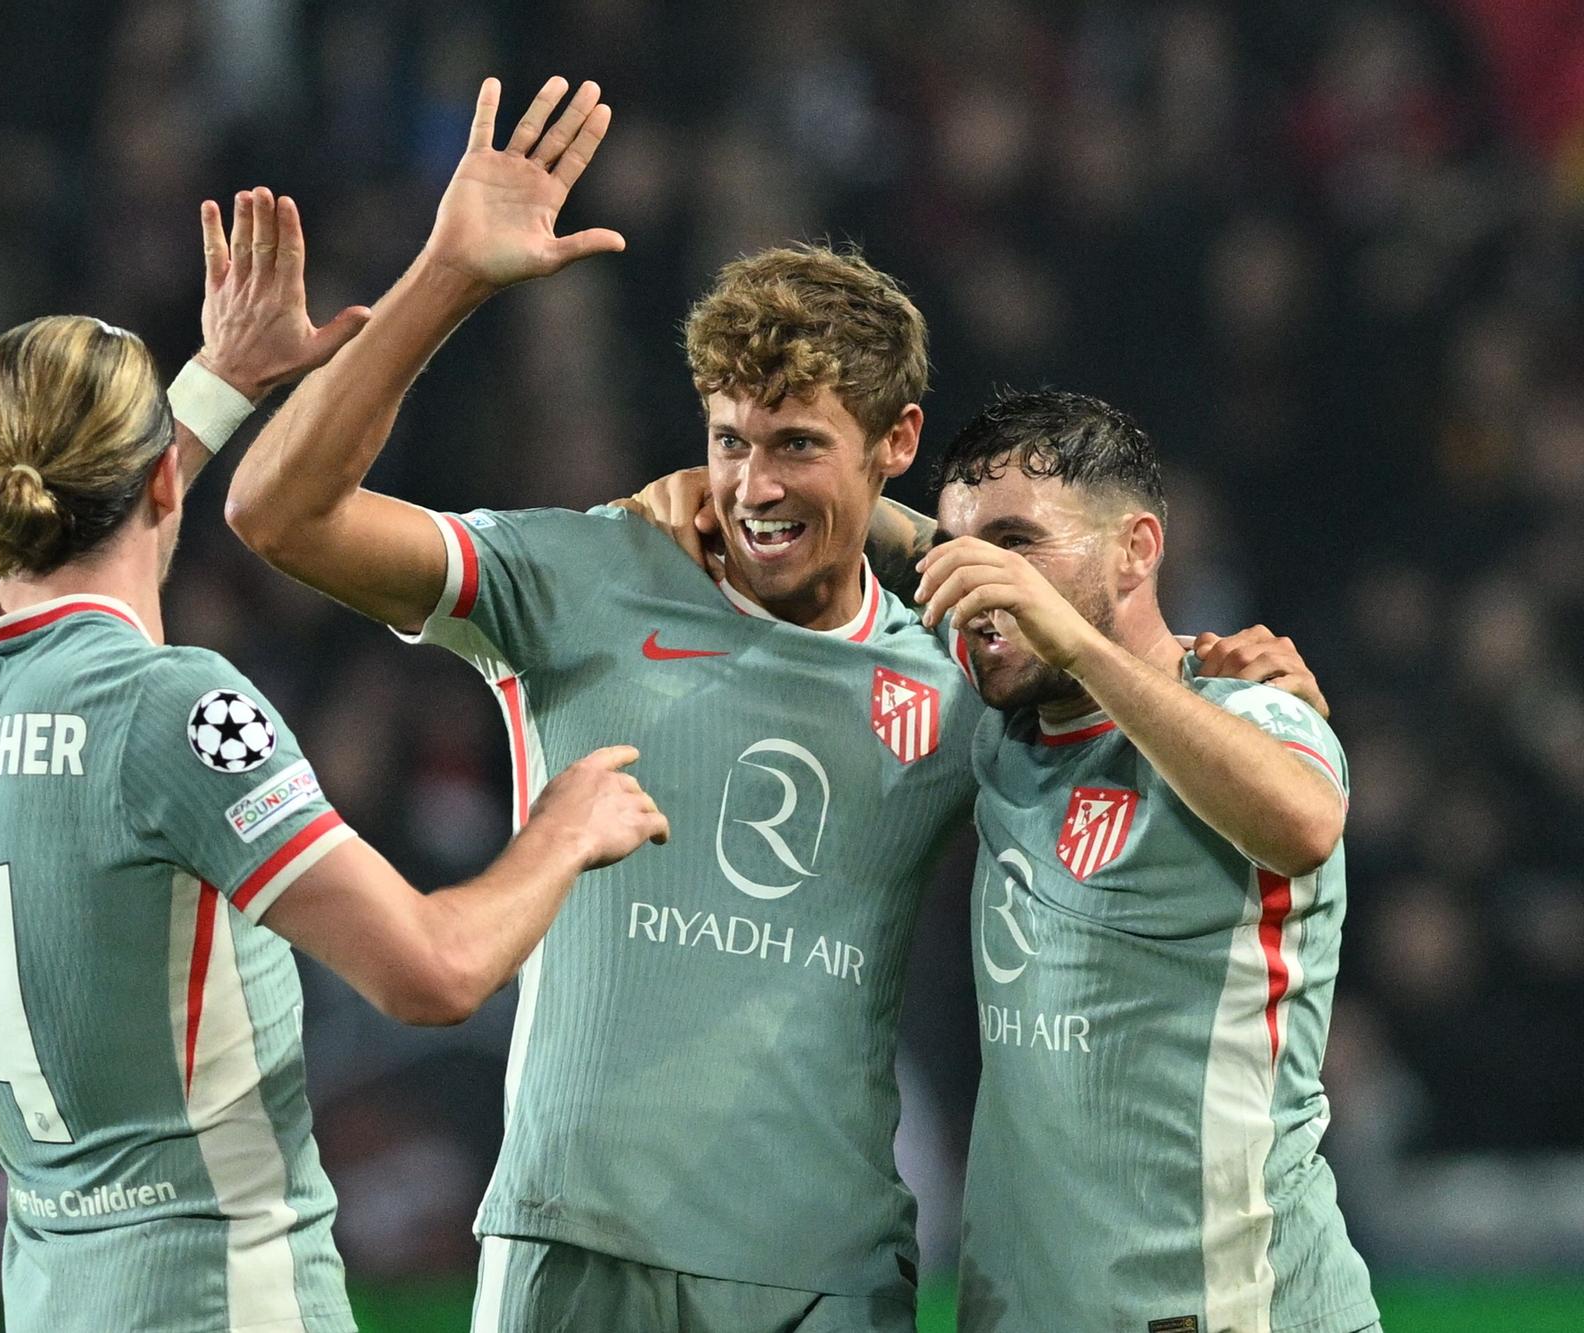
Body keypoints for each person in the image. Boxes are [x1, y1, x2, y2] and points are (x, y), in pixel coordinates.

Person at [224, 77, 1321, 1331]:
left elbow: (1120, 683)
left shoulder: (958, 669)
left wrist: (1219, 670)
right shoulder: (581, 574)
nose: (749, 483)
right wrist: (449, 278)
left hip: (823, 1275)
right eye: (729, 439)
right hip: (572, 1241)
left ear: (895, 439)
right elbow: (278, 515)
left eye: (796, 442)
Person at [0, 187, 669, 1333]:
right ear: (160, 481)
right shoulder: (174, 711)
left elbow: (81, 532)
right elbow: (432, 972)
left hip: (58, 1297)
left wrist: (216, 385)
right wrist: (561, 827)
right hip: (224, 1297)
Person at [910, 389, 1379, 1333]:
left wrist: (1077, 643)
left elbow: (1304, 822)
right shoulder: (995, 734)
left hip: (1240, 1310)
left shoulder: (1255, 713)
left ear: (1137, 549)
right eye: (960, 552)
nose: (983, 584)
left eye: (1018, 545)